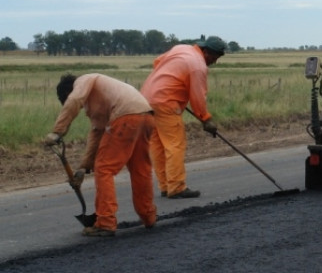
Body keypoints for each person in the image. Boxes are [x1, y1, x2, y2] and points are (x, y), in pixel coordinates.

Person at [43, 74, 157, 237]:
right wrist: (84, 167)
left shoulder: (83, 81)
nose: (82, 107)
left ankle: (106, 222)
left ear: (69, 91)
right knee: (140, 169)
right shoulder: (100, 97)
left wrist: (57, 131)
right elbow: (97, 132)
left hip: (125, 117)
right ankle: (148, 216)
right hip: (146, 116)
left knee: (104, 169)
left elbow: (74, 100)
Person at [140, 36, 224, 199]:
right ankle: (177, 187)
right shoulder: (198, 66)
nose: (214, 62)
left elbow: (157, 63)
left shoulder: (181, 49)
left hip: (146, 99)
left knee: (157, 145)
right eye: (214, 58)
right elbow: (198, 96)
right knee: (174, 144)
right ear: (206, 52)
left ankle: (165, 186)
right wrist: (205, 119)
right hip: (166, 103)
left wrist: (172, 84)